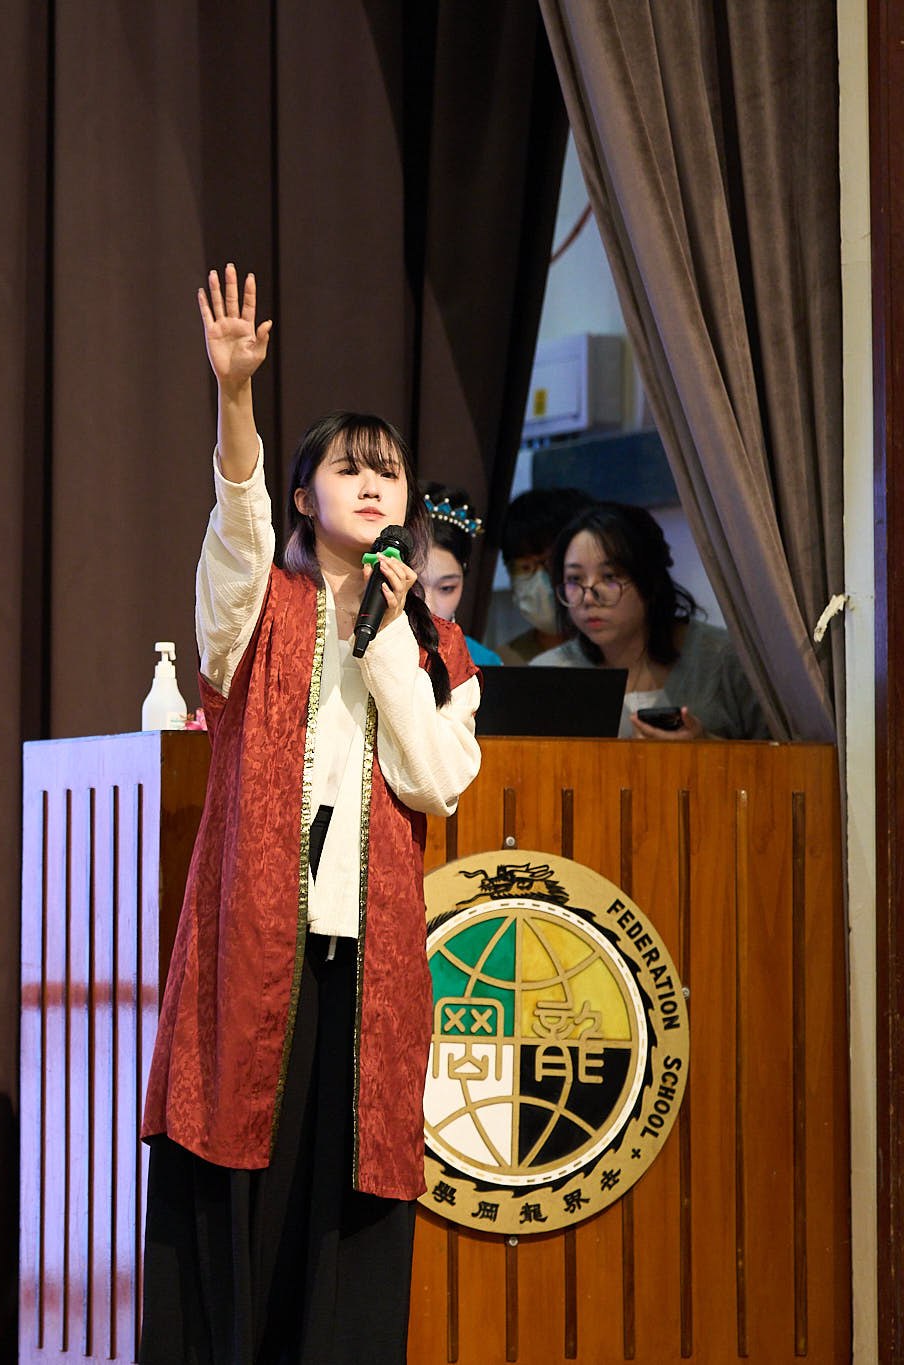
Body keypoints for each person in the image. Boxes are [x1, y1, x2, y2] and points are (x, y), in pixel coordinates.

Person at [141, 265, 484, 1364]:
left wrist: (388, 639)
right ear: (304, 497)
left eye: (388, 471)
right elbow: (236, 523)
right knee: (245, 1173)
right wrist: (235, 394)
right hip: (258, 949)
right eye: (348, 467)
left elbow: (438, 780)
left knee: (350, 1191)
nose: (373, 483)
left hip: (367, 959)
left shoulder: (435, 643)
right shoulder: (258, 606)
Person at [530, 501, 769, 739]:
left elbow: (778, 755)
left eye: (610, 576)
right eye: (574, 579)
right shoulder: (548, 674)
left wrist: (705, 748)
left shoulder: (726, 658)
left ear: (651, 580)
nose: (588, 597)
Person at [495, 485, 594, 662]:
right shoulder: (501, 663)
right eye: (525, 567)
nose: (540, 580)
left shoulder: (618, 654)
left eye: (550, 564)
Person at [417, 480, 504, 666]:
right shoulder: (365, 651)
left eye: (446, 588)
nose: (429, 606)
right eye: (415, 587)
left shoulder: (483, 662)